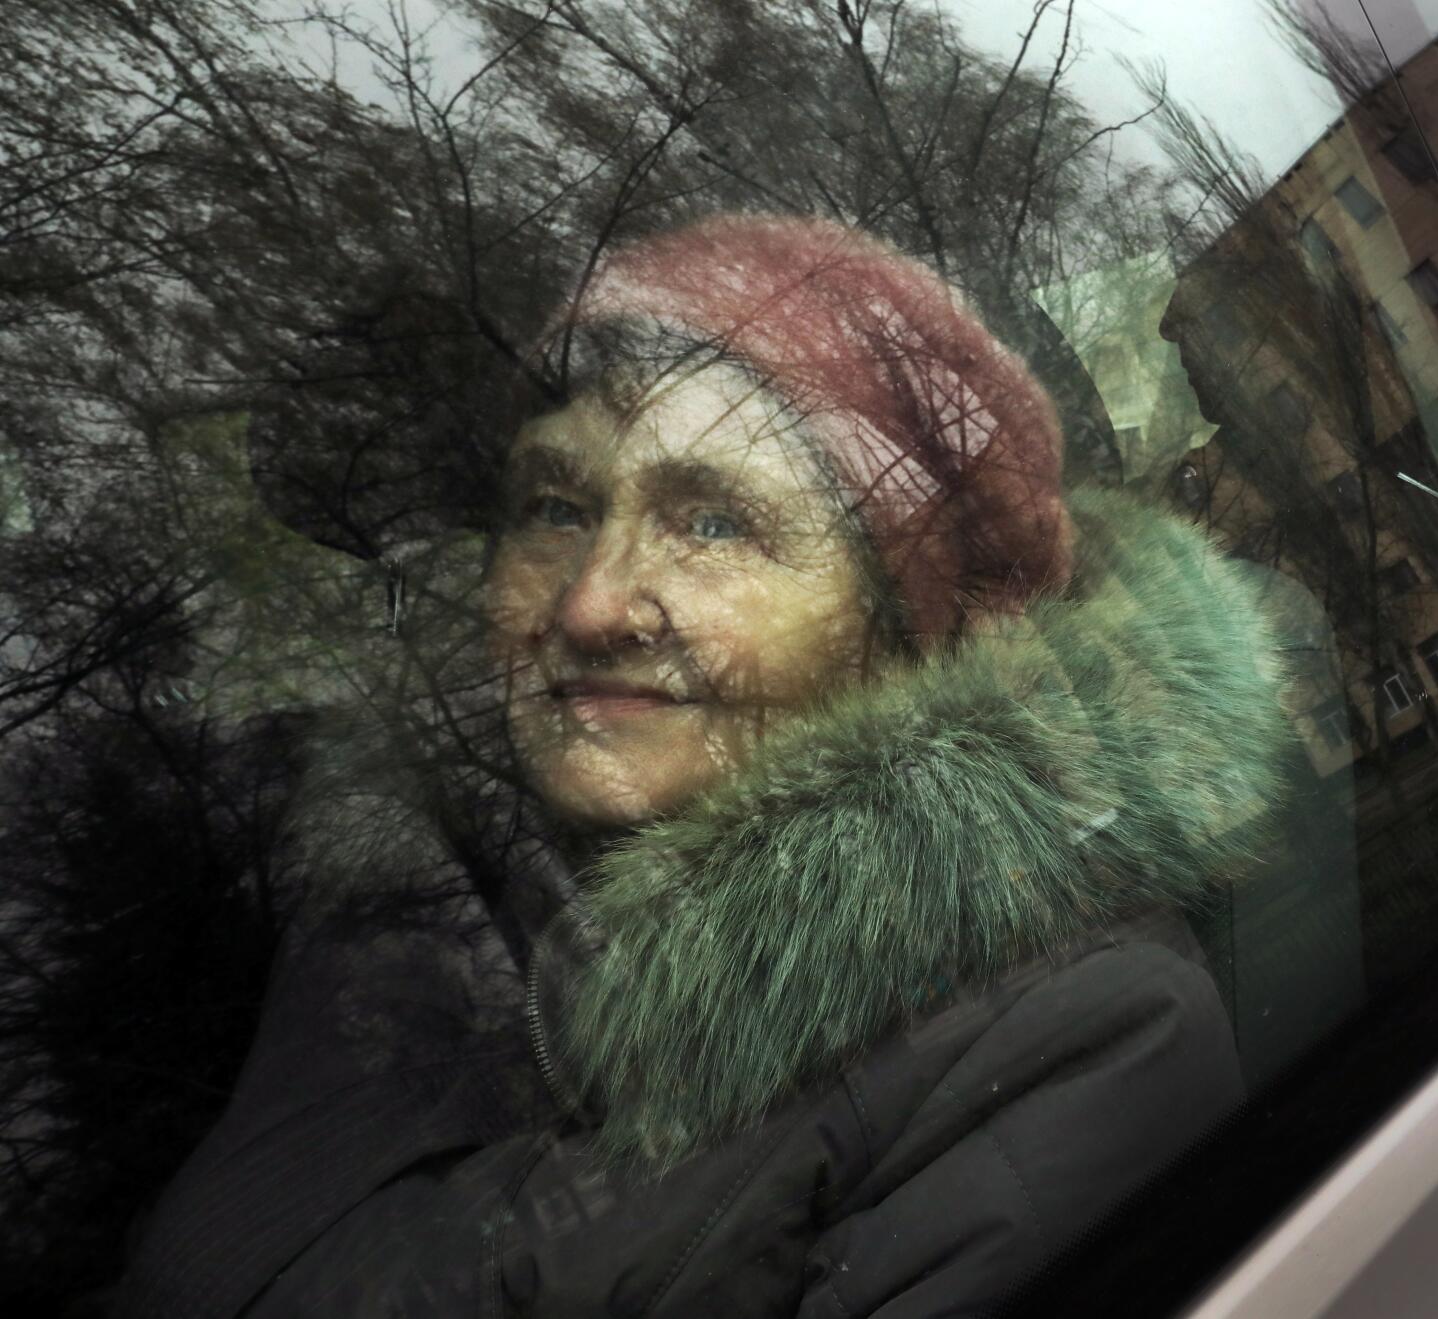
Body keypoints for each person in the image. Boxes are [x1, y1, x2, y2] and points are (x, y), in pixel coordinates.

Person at [120, 214, 1293, 1317]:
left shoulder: (1084, 1033)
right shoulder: (362, 895)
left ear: (909, 627)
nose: (590, 602)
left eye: (716, 522)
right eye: (554, 504)